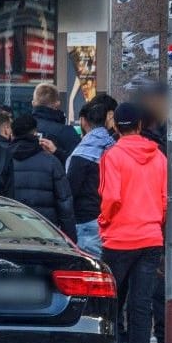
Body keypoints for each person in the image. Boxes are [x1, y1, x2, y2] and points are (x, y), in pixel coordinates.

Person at [98, 102, 166, 343]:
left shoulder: (112, 156)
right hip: (151, 238)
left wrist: (104, 220)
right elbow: (164, 201)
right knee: (141, 308)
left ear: (116, 126)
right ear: (140, 125)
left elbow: (111, 197)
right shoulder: (159, 157)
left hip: (119, 239)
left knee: (109, 305)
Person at [6, 113, 74, 236]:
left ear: (12, 134)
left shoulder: (3, 160)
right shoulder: (51, 162)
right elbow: (64, 203)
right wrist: (70, 236)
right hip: (45, 230)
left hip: (11, 230)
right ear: (35, 133)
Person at [67, 95, 115, 254]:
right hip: (110, 219)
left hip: (86, 220)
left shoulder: (81, 153)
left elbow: (71, 189)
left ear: (84, 121)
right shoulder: (114, 147)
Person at [30, 83, 81, 164]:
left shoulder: (20, 128)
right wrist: (57, 152)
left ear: (33, 103)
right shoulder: (66, 132)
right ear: (57, 104)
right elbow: (77, 163)